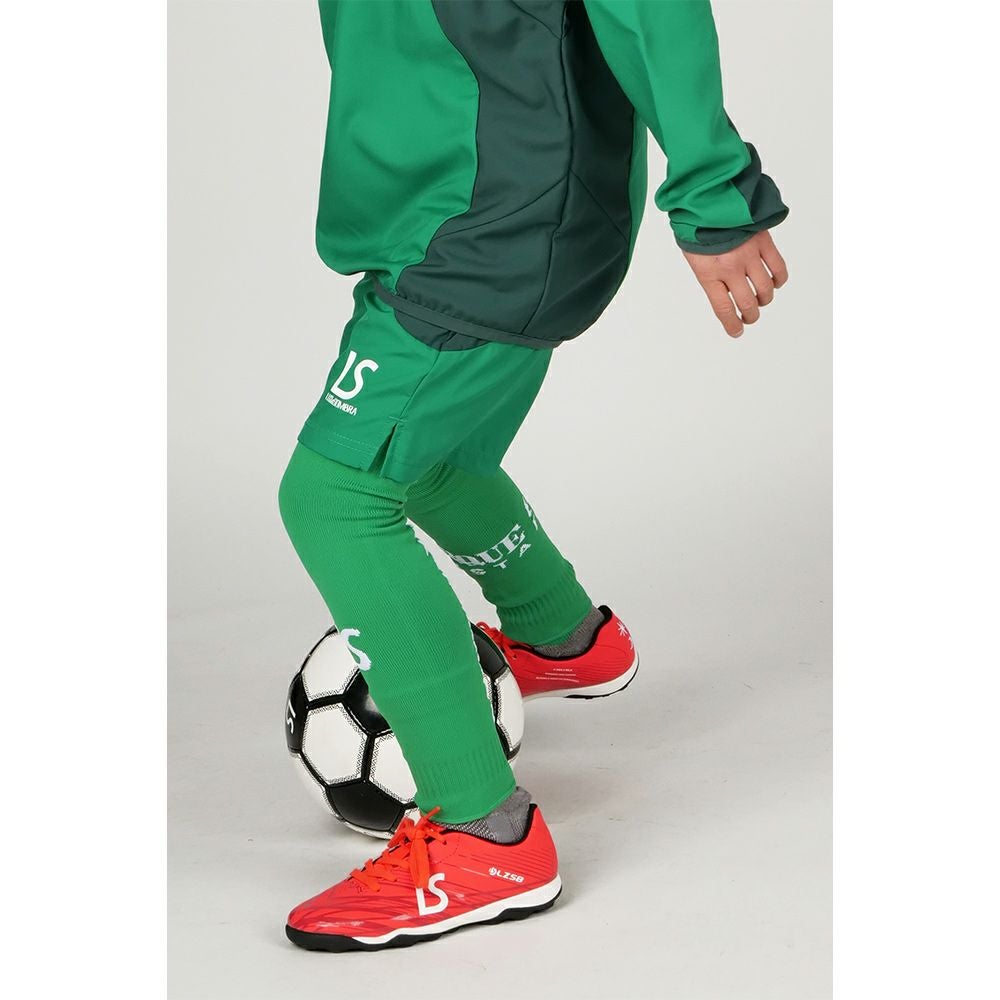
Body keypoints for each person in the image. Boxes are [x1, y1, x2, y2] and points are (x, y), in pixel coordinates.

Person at [278, 0, 788, 952]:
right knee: (435, 461)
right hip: (437, 205)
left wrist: (715, 190)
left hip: (492, 218)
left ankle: (486, 838)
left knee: (333, 497)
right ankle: (565, 638)